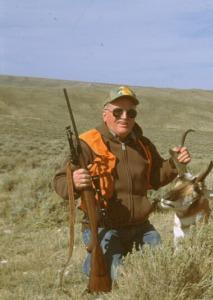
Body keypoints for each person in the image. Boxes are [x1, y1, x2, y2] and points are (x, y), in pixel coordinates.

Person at [53, 86, 191, 281]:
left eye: (131, 112)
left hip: (141, 227)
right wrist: (73, 181)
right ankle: (96, 265)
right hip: (103, 227)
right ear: (105, 114)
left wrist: (175, 163)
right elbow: (59, 180)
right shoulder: (87, 143)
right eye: (118, 111)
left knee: (162, 271)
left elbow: (156, 178)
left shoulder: (143, 144)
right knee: (124, 278)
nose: (125, 117)